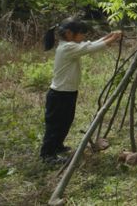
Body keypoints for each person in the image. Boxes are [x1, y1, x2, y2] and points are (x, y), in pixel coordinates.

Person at [40, 17, 122, 164]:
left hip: (68, 93)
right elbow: (91, 48)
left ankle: (57, 146)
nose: (84, 37)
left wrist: (110, 36)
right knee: (56, 124)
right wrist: (114, 38)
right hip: (59, 95)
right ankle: (47, 154)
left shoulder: (70, 45)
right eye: (82, 33)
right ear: (70, 33)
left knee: (66, 121)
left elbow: (90, 44)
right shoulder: (67, 48)